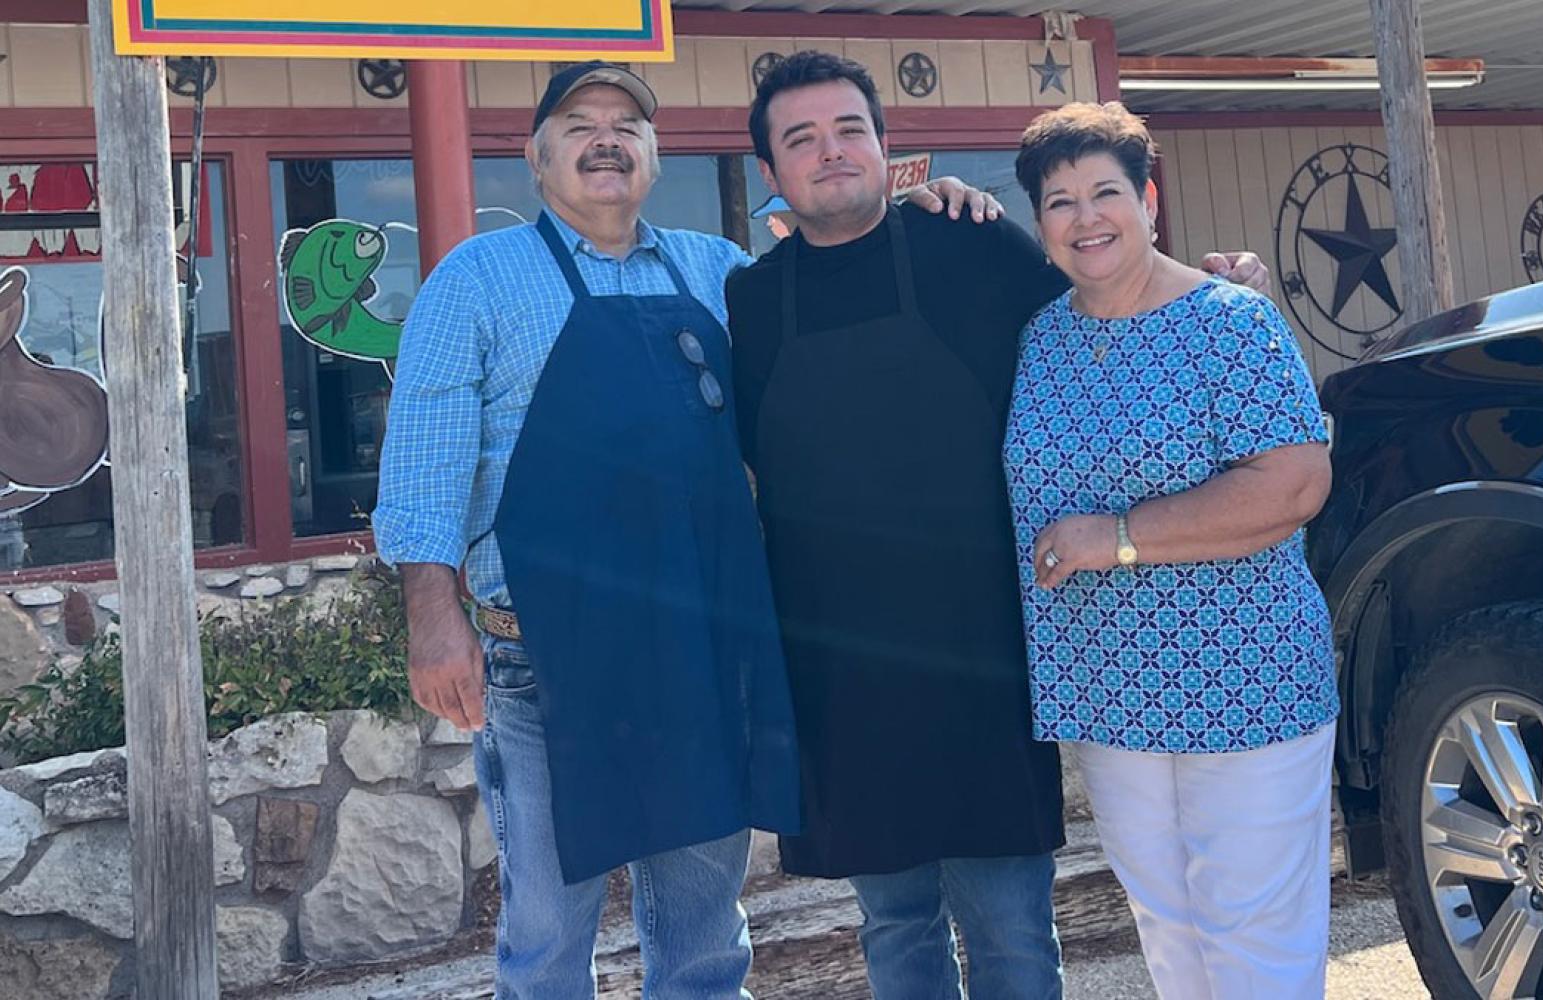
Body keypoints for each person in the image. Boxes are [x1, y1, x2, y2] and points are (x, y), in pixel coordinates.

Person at [374, 61, 1000, 1000]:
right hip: (543, 659)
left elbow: (840, 291)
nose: (606, 138)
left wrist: (929, 219)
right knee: (547, 934)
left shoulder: (719, 271)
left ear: (655, 155)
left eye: (627, 123)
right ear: (537, 161)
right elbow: (423, 461)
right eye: (580, 124)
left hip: (703, 647)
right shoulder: (477, 278)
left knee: (707, 939)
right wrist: (432, 618)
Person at [726, 51, 1271, 1000]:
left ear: (886, 148)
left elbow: (1108, 307)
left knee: (1014, 930)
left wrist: (1214, 290)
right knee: (894, 928)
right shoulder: (751, 300)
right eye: (801, 140)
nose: (831, 152)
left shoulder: (970, 245)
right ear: (771, 174)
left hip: (982, 655)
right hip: (838, 672)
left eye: (850, 129)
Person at [1003, 102, 1338, 999]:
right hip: (1111, 693)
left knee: (1253, 934)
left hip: (1246, 683)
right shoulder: (1040, 340)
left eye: (1106, 191)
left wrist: (1113, 538)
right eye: (1060, 201)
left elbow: (1295, 484)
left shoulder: (1232, 322)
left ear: (1148, 199)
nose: (1086, 218)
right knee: (1167, 925)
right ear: (1040, 224)